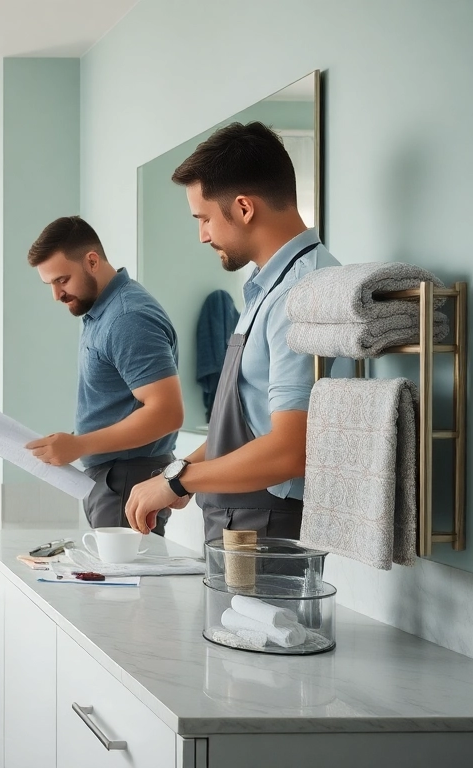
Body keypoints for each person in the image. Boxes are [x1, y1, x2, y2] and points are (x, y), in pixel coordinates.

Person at [124, 122, 341, 542]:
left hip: (267, 529)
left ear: (243, 208)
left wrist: (177, 482)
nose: (202, 234)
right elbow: (247, 422)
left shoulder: (299, 295)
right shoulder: (268, 287)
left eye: (204, 218)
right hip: (240, 524)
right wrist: (181, 472)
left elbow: (290, 449)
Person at [25, 216, 183, 536]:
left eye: (62, 280)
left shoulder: (127, 317)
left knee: (117, 585)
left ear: (92, 261)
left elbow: (167, 413)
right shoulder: (101, 311)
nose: (56, 295)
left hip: (127, 479)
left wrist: (80, 444)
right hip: (114, 479)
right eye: (50, 285)